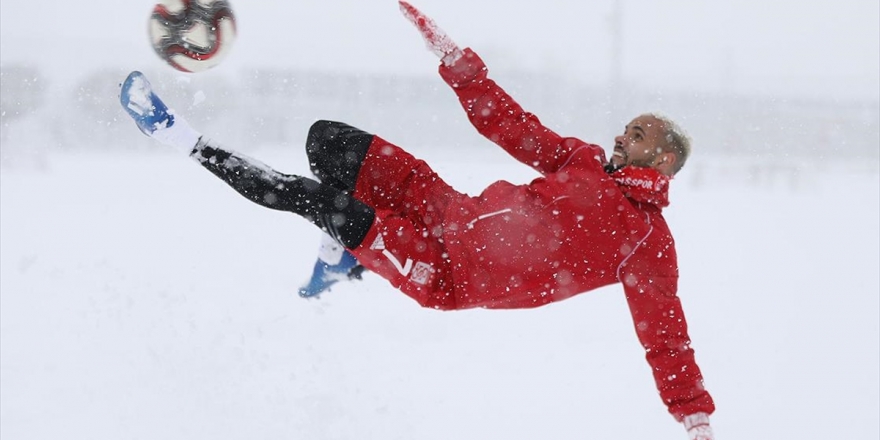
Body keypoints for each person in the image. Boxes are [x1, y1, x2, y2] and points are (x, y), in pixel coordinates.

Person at [118, 2, 716, 438]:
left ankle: (179, 137)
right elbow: (509, 123)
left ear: (662, 158)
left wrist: (694, 416)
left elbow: (666, 336)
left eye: (636, 133)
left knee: (316, 199)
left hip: (444, 270)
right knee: (328, 143)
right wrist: (455, 60)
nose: (620, 134)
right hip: (445, 207)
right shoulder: (582, 160)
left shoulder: (648, 244)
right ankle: (343, 255)